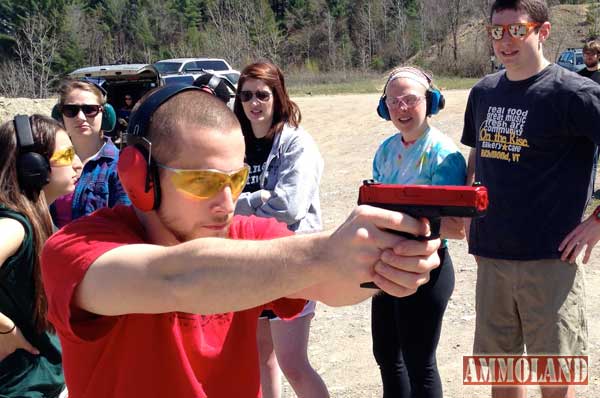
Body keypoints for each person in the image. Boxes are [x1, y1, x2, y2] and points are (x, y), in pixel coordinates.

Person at [40, 83, 442, 398]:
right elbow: (175, 279)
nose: (227, 203)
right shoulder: (74, 248)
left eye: (234, 180)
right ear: (138, 176)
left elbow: (331, 283)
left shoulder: (242, 236)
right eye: (202, 182)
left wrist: (386, 263)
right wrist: (323, 253)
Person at [462, 1, 600, 397]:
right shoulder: (484, 92)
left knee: (555, 381)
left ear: (543, 31)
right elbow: (478, 153)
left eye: (516, 29)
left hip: (551, 261)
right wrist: (467, 209)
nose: (505, 41)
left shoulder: (574, 93)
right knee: (500, 376)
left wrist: (596, 221)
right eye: (496, 31)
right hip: (492, 259)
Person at [233, 61, 328, 398]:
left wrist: (241, 203)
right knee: (261, 357)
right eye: (246, 95)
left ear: (278, 96)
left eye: (262, 94)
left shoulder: (297, 144)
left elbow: (289, 207)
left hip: (292, 262)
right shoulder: (236, 144)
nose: (253, 103)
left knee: (293, 363)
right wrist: (259, 201)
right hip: (249, 262)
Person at [371, 66, 466, 398]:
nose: (401, 108)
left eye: (410, 99)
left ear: (431, 101)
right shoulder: (385, 151)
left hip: (427, 267)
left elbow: (454, 226)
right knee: (386, 356)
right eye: (393, 101)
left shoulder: (444, 153)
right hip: (387, 263)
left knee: (419, 362)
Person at [0, 114, 82, 397]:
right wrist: (5, 329)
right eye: (66, 154)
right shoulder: (14, 226)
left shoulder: (38, 221)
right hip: (21, 387)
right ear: (32, 167)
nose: (78, 163)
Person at [50, 79, 130, 228]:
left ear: (105, 114)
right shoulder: (51, 160)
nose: (80, 117)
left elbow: (127, 226)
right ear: (60, 115)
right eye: (70, 110)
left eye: (90, 110)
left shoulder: (121, 166)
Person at [578, 40, 600, 198]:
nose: (588, 57)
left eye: (591, 54)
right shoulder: (577, 76)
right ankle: (587, 192)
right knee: (587, 162)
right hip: (582, 127)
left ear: (598, 55)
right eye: (585, 53)